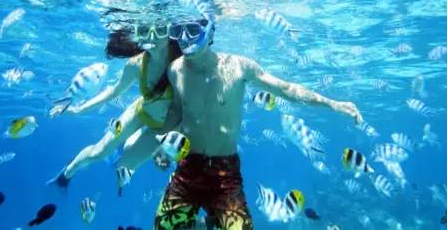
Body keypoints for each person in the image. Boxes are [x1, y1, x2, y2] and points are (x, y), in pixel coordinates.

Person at [154, 18, 363, 230]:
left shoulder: (238, 67)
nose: (184, 37)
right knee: (163, 227)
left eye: (192, 30)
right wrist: (161, 146)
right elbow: (176, 110)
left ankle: (209, 223)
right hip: (188, 167)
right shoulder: (175, 70)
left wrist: (332, 104)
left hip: (224, 172)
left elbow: (286, 90)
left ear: (209, 33)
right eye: (177, 30)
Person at [48, 22, 182, 188]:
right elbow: (114, 91)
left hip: (163, 128)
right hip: (140, 111)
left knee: (123, 166)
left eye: (160, 30)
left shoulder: (183, 64)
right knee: (99, 152)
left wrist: (167, 148)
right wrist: (79, 109)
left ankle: (127, 144)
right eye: (144, 30)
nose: (152, 37)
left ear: (170, 33)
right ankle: (67, 172)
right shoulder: (136, 64)